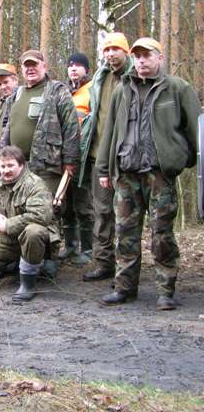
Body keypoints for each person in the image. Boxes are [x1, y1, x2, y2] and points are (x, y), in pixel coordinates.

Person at [96, 37, 201, 310]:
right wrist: (105, 169)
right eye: (138, 56)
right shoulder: (122, 89)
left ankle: (165, 291)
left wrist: (180, 161)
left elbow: (193, 131)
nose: (141, 61)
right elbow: (110, 132)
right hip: (127, 173)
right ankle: (124, 288)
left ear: (159, 58)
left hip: (159, 175)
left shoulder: (178, 89)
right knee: (125, 232)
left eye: (147, 56)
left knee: (162, 234)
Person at [0, 49, 80, 277]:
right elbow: (7, 127)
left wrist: (71, 161)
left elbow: (71, 127)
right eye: (26, 65)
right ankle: (21, 258)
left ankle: (50, 259)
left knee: (49, 212)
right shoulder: (16, 94)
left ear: (44, 66)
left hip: (47, 164)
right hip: (17, 167)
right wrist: (1, 157)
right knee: (18, 210)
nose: (30, 69)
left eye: (35, 64)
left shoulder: (57, 91)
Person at [78, 33, 135, 282]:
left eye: (116, 49)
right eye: (107, 49)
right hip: (98, 157)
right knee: (101, 214)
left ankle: (127, 269)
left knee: (127, 217)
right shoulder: (100, 79)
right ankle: (103, 264)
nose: (111, 53)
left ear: (126, 52)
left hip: (125, 160)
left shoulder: (136, 78)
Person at [0, 146, 55, 302]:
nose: (6, 170)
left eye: (10, 166)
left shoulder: (35, 184)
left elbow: (40, 216)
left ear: (21, 165)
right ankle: (16, 264)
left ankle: (28, 283)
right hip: (9, 241)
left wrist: (8, 225)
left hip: (34, 240)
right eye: (3, 166)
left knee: (33, 231)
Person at [60, 52, 93, 265]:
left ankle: (88, 249)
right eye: (71, 65)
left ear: (86, 70)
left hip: (84, 156)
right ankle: (70, 245)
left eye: (78, 65)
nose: (73, 68)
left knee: (84, 203)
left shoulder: (92, 90)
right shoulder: (64, 92)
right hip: (63, 155)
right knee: (65, 203)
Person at [0, 64, 19, 160]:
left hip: (14, 160)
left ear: (15, 80)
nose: (3, 87)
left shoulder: (20, 100)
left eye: (6, 82)